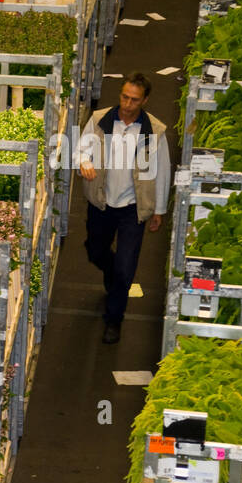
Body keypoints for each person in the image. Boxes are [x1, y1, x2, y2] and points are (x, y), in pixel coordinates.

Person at [75, 72, 170, 344]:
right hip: (102, 202)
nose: (127, 104)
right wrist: (83, 161)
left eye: (134, 100)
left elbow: (162, 172)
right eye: (124, 97)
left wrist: (159, 210)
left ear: (145, 100)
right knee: (96, 252)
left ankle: (114, 319)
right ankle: (110, 270)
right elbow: (80, 150)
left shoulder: (155, 131)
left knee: (126, 268)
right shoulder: (99, 121)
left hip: (133, 207)